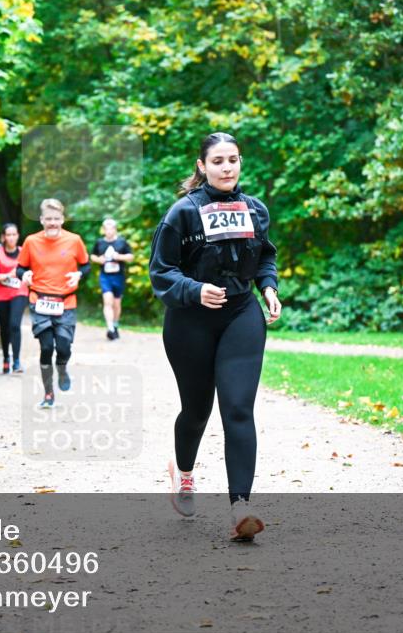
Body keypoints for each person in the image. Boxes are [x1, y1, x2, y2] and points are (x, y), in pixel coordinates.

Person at [148, 132, 281, 541]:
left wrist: (269, 287)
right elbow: (161, 270)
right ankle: (184, 472)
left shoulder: (255, 210)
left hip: (241, 313)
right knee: (197, 409)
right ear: (202, 167)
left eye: (234, 160)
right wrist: (194, 289)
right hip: (190, 321)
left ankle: (241, 506)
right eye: (218, 161)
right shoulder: (182, 213)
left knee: (238, 409)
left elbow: (265, 255)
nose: (227, 168)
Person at [16, 199, 90, 408]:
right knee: (47, 346)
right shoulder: (31, 241)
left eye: (56, 219)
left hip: (66, 302)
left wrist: (78, 275)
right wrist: (25, 274)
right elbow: (19, 268)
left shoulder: (74, 240)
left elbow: (86, 266)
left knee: (64, 347)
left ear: (62, 219)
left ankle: (63, 368)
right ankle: (48, 393)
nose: (52, 223)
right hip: (39, 300)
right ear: (41, 220)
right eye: (48, 219)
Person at [0, 224, 28, 374]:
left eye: (14, 234)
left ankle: (17, 361)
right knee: (4, 329)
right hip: (0, 295)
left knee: (15, 325)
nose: (11, 238)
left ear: (18, 236)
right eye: (8, 235)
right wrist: (5, 276)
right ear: (4, 237)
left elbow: (29, 271)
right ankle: (6, 359)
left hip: (19, 292)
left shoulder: (24, 252)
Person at [90, 218, 134, 340]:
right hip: (105, 276)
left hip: (118, 276)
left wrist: (118, 257)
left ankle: (115, 325)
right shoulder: (99, 242)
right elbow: (92, 256)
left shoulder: (121, 242)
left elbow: (131, 257)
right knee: (107, 301)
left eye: (111, 228)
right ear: (103, 230)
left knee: (116, 304)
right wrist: (99, 260)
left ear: (115, 229)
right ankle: (110, 328)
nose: (109, 231)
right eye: (106, 229)